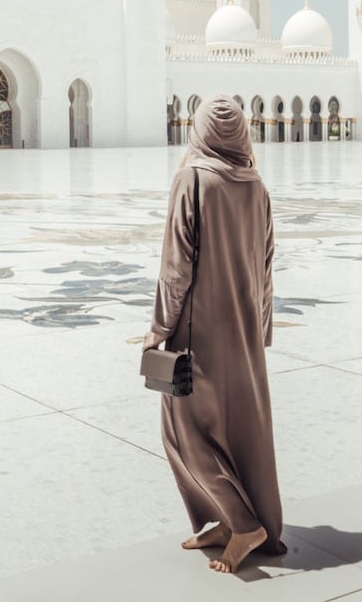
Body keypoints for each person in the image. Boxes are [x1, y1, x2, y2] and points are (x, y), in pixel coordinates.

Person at [144, 94, 284, 574]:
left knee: (185, 432)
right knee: (234, 428)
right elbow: (265, 267)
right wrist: (260, 330)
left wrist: (159, 329)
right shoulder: (256, 185)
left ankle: (244, 525)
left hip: (198, 332)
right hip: (243, 331)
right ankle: (226, 520)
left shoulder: (192, 179)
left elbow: (175, 268)